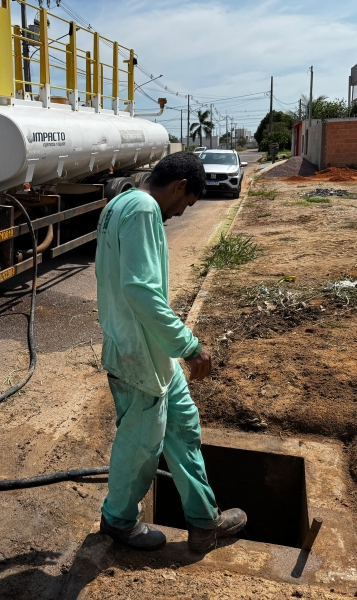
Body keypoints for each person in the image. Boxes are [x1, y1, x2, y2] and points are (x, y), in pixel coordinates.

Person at [95, 152, 247, 554]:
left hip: (153, 353)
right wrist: (189, 345)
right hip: (137, 355)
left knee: (183, 427)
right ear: (180, 187)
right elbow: (140, 290)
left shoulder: (121, 201)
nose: (182, 213)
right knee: (140, 447)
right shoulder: (144, 209)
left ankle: (203, 521)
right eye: (187, 203)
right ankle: (118, 521)